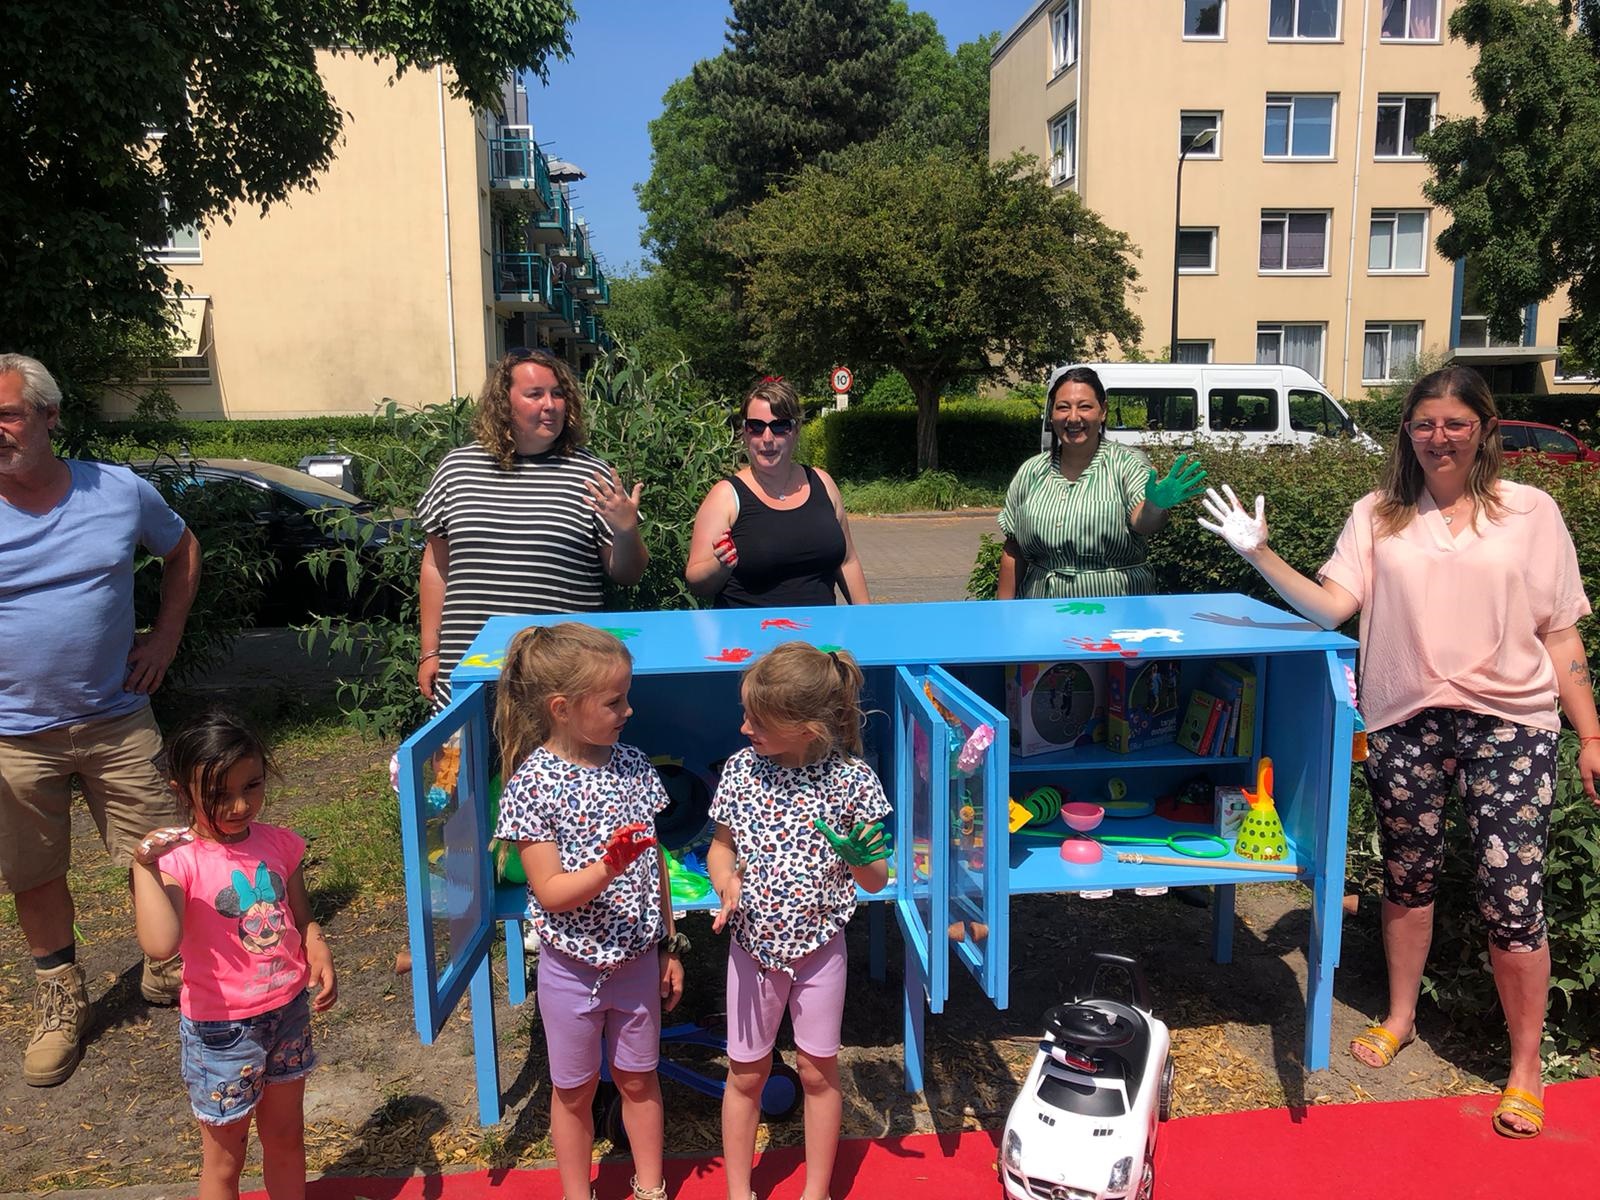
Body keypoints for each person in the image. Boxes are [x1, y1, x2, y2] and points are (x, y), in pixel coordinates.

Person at [1197, 365, 1600, 1139]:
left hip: (1510, 724)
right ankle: (1401, 1015)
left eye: (1453, 423)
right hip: (1405, 720)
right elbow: (1332, 607)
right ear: (1406, 432)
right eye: (1423, 424)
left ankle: (1525, 1067)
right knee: (1405, 881)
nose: (1438, 437)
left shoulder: (1531, 512)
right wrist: (1260, 555)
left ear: (1483, 426)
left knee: (1512, 897)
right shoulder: (1377, 516)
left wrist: (1589, 732)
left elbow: (1560, 633)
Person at [0, 352, 203, 1086]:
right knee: (34, 871)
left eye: (9, 414)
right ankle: (60, 999)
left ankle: (167, 963)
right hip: (14, 734)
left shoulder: (116, 491)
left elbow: (181, 549)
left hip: (117, 719)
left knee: (158, 848)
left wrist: (167, 636)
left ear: (52, 417)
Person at [491, 623, 685, 1200]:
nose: (629, 709)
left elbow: (656, 874)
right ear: (562, 708)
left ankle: (651, 1187)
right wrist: (608, 867)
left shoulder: (633, 767)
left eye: (626, 695)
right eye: (614, 700)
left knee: (639, 1079)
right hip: (570, 969)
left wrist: (669, 948)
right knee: (572, 1090)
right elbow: (549, 892)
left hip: (634, 962)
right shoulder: (532, 785)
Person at [708, 642, 892, 1200]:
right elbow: (720, 849)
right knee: (745, 1073)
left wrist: (862, 858)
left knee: (817, 1072)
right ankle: (739, 1190)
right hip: (753, 950)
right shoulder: (742, 772)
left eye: (757, 721)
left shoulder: (853, 780)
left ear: (808, 726)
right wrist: (727, 881)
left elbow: (876, 880)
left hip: (819, 951)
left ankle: (815, 1190)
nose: (744, 730)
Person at [129, 711, 337, 1200]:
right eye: (220, 795)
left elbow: (300, 914)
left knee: (286, 1137)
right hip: (222, 1031)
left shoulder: (279, 844)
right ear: (183, 792)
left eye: (253, 786)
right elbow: (160, 945)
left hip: (287, 1012)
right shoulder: (180, 861)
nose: (241, 805)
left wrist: (317, 944)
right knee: (226, 1157)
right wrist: (144, 867)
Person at [416, 349, 647, 709]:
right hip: (469, 669)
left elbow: (627, 573)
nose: (551, 404)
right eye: (535, 394)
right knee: (461, 765)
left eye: (558, 394)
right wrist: (430, 651)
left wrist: (626, 530)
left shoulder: (590, 474)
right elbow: (435, 567)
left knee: (561, 766)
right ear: (503, 404)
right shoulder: (457, 469)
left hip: (562, 673)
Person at [997, 366, 1207, 599]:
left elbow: (1142, 522)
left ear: (1103, 411)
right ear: (1051, 414)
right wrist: (1004, 614)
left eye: (1085, 406)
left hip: (1117, 610)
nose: (1073, 417)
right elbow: (1013, 549)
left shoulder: (1128, 463)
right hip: (1042, 610)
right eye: (1063, 407)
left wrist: (1155, 506)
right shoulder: (1031, 471)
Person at [686, 377, 869, 607]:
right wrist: (719, 565)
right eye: (756, 427)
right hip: (753, 638)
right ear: (744, 431)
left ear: (796, 430)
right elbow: (696, 580)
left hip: (820, 639)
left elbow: (847, 561)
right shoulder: (725, 496)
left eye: (780, 426)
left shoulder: (823, 483)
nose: (767, 439)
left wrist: (866, 621)